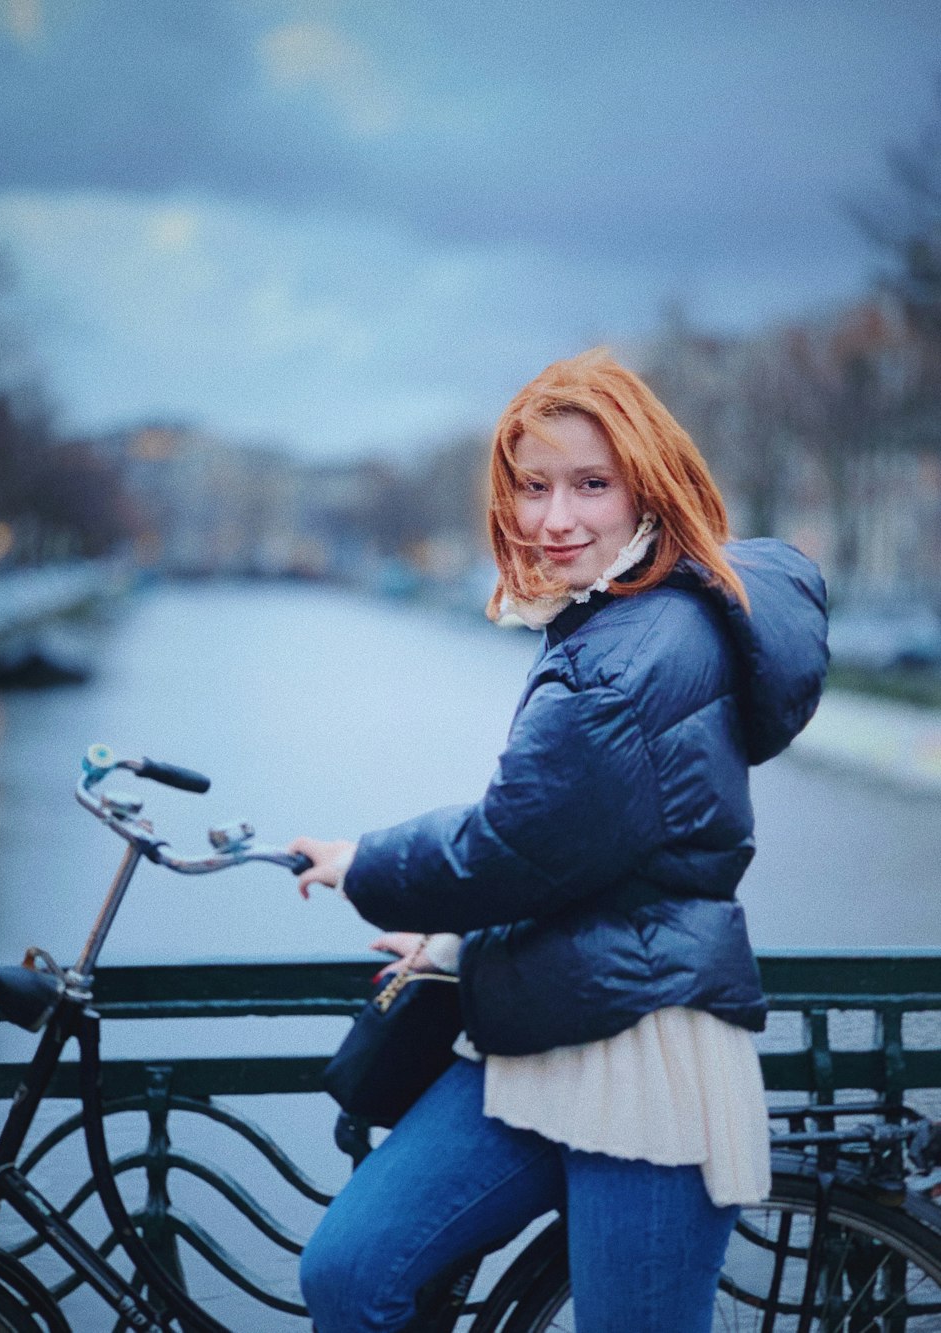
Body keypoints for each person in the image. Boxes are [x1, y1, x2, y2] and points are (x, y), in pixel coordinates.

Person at [289, 349, 829, 1333]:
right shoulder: (608, 617)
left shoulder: (632, 649)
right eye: (532, 488)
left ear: (646, 485)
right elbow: (593, 846)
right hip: (541, 1026)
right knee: (351, 1270)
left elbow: (516, 842)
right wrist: (459, 942)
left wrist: (361, 863)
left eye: (590, 484)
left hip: (646, 1061)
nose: (554, 519)